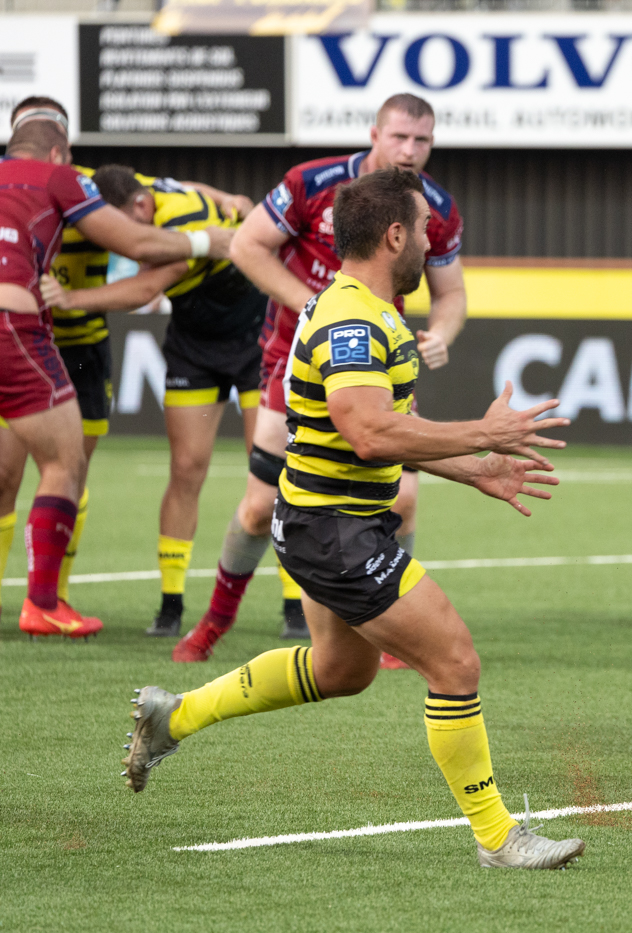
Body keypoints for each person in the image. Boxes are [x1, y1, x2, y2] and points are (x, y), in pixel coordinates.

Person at [122, 168, 585, 870]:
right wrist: (482, 436)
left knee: (342, 670)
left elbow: (385, 431)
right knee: (455, 659)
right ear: (394, 234)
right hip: (334, 530)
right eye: (426, 229)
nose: (433, 241)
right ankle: (498, 837)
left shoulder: (366, 309)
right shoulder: (351, 319)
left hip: (324, 519)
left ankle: (174, 715)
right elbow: (369, 432)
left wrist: (474, 467)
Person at [171, 92, 466, 663]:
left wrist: (442, 335)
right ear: (374, 133)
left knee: (403, 499)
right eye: (399, 136)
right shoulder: (313, 182)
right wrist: (319, 309)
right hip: (293, 359)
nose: (409, 150)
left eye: (421, 140)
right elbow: (248, 246)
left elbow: (451, 294)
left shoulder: (437, 207)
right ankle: (213, 622)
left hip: (377, 365)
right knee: (258, 508)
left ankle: (390, 630)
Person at [0, 97, 249, 625]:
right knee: (30, 471)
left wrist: (222, 196)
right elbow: (139, 242)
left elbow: (165, 189)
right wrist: (211, 239)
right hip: (25, 333)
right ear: (58, 145)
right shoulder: (63, 176)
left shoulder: (88, 180)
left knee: (72, 467)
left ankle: (55, 593)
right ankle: (42, 604)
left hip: (79, 343)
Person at [40, 164, 266, 639]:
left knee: (267, 471)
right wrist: (230, 193)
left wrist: (70, 297)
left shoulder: (178, 224)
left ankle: (293, 607)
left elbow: (145, 289)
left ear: (139, 208)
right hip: (193, 343)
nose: (117, 243)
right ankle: (171, 604)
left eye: (120, 229)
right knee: (186, 469)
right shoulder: (155, 192)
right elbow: (199, 186)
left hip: (254, 342)